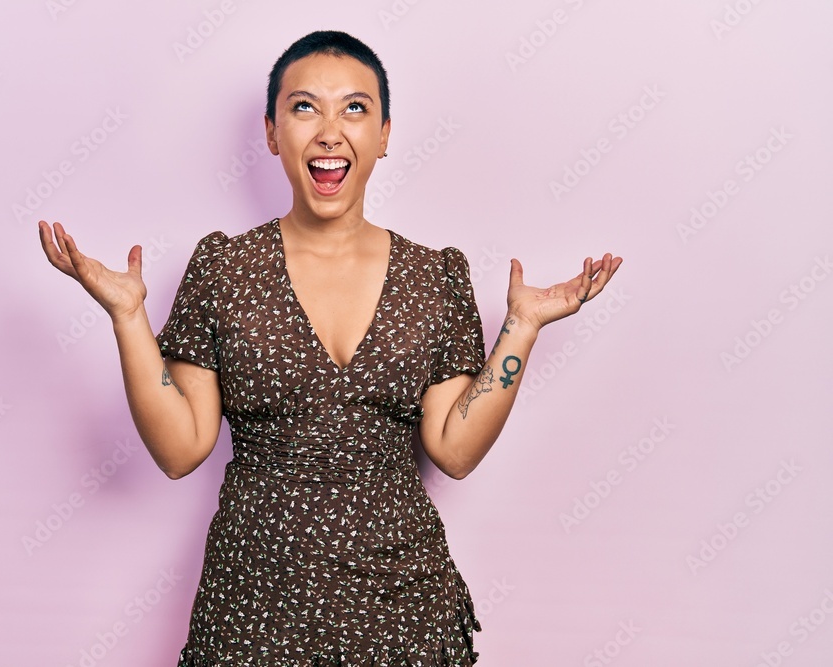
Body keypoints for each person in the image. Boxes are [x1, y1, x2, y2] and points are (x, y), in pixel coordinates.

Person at [39, 29, 621, 666]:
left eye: (355, 107)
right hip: (253, 608)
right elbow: (180, 451)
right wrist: (127, 317)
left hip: (404, 610)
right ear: (271, 131)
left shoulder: (435, 277)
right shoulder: (223, 269)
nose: (329, 130)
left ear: (385, 134)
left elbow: (453, 452)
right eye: (304, 106)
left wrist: (523, 328)